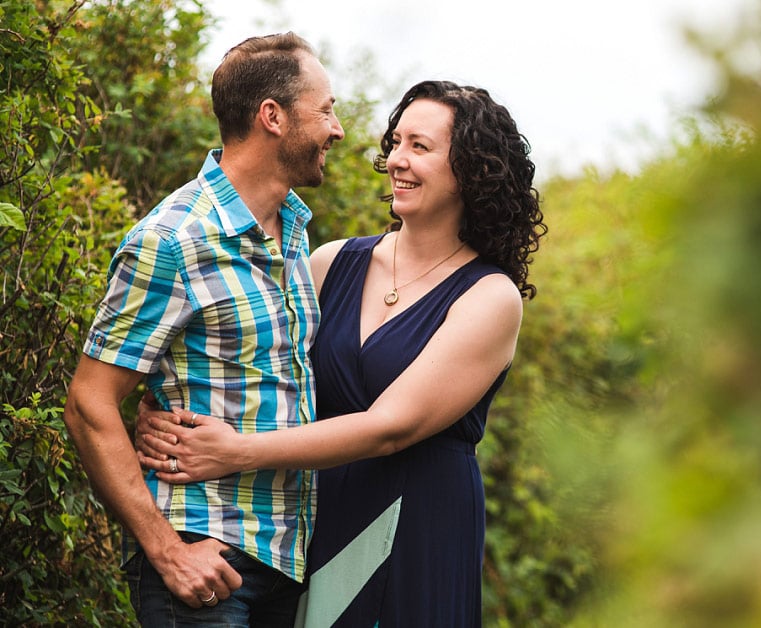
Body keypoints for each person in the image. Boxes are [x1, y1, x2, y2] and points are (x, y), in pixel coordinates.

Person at [135, 80, 547, 626]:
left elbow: (390, 426)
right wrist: (164, 409)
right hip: (314, 518)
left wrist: (235, 451)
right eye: (396, 142)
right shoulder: (333, 263)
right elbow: (252, 359)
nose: (396, 160)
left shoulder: (489, 296)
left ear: (472, 170)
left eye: (419, 147)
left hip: (418, 523)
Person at [62, 32, 344, 625]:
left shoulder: (291, 231)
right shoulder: (172, 240)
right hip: (206, 564)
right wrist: (168, 551)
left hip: (285, 561)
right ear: (272, 116)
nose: (336, 129)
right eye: (326, 110)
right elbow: (90, 402)